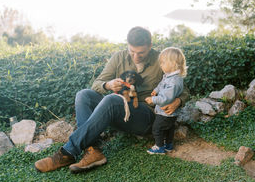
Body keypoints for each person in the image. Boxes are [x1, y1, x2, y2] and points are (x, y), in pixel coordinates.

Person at [34, 26, 189, 173]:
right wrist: (108, 85)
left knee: (112, 101)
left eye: (141, 53)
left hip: (145, 116)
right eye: (132, 51)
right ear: (127, 46)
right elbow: (96, 84)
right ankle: (92, 150)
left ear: (150, 46)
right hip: (120, 113)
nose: (136, 57)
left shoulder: (161, 59)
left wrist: (178, 101)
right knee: (84, 95)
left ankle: (67, 152)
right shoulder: (119, 57)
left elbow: (183, 87)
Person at [145, 47, 187, 154]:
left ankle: (159, 147)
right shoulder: (169, 77)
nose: (161, 65)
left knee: (157, 128)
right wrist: (156, 90)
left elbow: (165, 98)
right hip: (168, 113)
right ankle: (169, 145)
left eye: (163, 62)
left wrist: (153, 99)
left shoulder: (174, 81)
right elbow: (161, 85)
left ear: (173, 63)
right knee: (169, 128)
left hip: (165, 112)